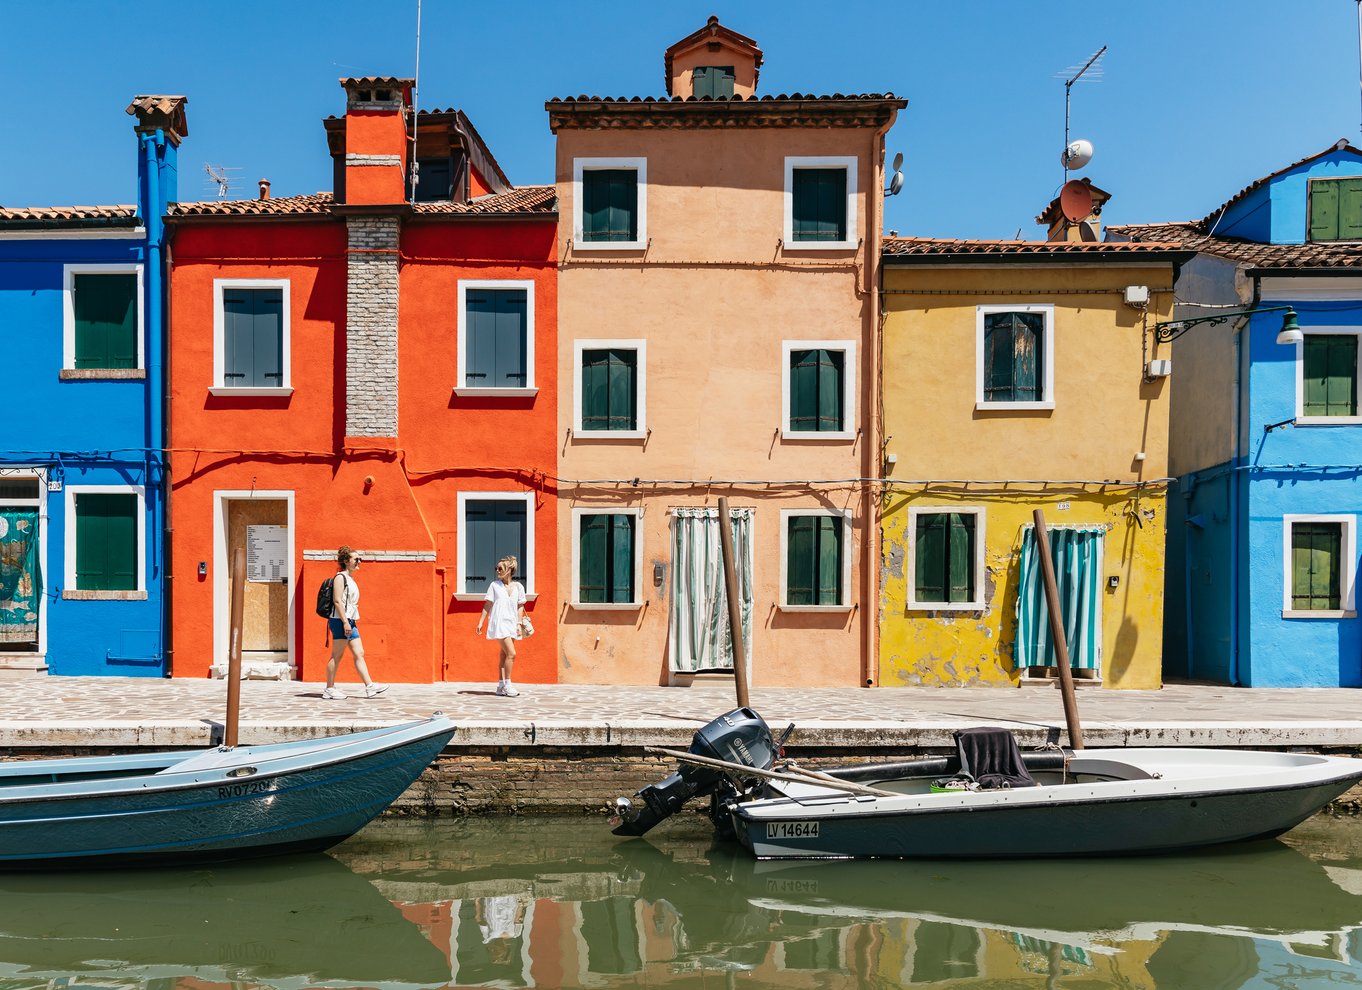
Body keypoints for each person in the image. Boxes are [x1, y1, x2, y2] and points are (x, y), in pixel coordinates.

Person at [322, 546, 387, 700]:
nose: (359, 562)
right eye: (356, 559)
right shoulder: (340, 578)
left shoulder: (350, 578)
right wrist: (345, 623)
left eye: (360, 559)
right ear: (346, 561)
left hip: (350, 620)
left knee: (359, 653)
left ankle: (370, 687)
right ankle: (329, 689)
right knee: (336, 655)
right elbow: (337, 601)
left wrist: (349, 622)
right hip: (340, 620)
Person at [476, 554, 526, 697]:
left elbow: (520, 607)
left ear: (509, 570)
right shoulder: (494, 585)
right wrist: (481, 622)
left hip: (512, 624)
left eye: (500, 568)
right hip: (499, 623)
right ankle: (508, 685)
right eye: (496, 568)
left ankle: (500, 685)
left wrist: (518, 623)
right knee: (512, 653)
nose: (497, 571)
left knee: (504, 655)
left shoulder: (518, 587)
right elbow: (488, 604)